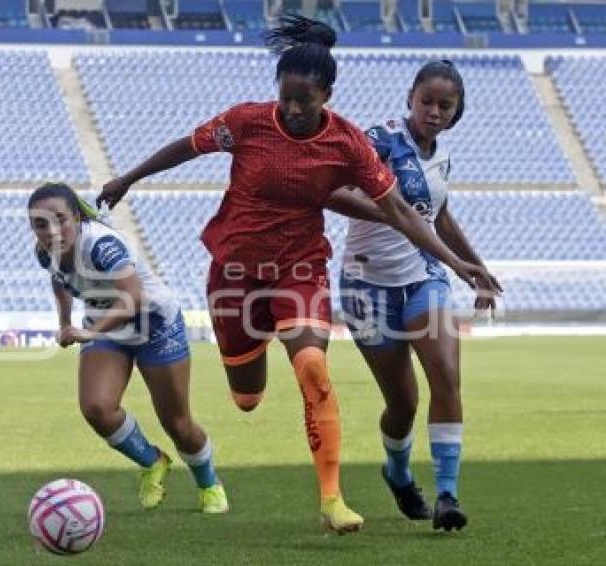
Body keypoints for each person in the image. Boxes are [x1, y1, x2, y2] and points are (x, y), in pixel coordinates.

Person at [97, 15, 500, 534]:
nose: (291, 108)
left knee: (313, 365)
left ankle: (333, 500)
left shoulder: (349, 144)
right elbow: (186, 146)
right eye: (285, 96)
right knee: (247, 397)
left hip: (301, 267)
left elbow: (403, 211)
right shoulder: (246, 121)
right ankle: (252, 362)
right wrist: (129, 177)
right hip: (236, 271)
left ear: (326, 95)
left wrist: (456, 262)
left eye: (303, 100)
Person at [339, 60, 499, 531]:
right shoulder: (379, 141)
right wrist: (393, 214)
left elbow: (440, 216)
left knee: (446, 373)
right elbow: (337, 192)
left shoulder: (441, 156)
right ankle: (397, 472)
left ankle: (448, 495)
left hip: (424, 278)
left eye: (444, 106)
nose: (433, 111)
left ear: (456, 111)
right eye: (426, 101)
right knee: (402, 404)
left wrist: (477, 269)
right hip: (366, 287)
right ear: (410, 97)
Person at [28, 182, 229, 514]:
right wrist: (65, 322)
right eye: (40, 224)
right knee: (97, 408)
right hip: (107, 325)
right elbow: (59, 281)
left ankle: (209, 484)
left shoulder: (102, 244)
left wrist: (89, 333)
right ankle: (153, 461)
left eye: (60, 219)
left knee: (177, 423)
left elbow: (133, 297)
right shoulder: (43, 251)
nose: (51, 231)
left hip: (154, 324)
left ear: (76, 217)